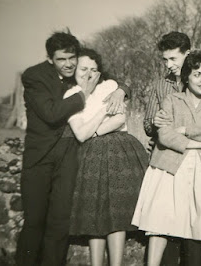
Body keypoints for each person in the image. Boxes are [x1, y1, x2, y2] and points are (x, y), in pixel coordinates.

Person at [16, 31, 128, 266]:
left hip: (69, 155)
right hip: (41, 157)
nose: (68, 64)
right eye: (61, 59)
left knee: (60, 222)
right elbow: (51, 113)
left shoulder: (79, 71)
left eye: (71, 58)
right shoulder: (34, 76)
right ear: (50, 59)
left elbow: (107, 79)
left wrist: (122, 89)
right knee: (35, 221)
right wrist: (83, 94)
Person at [133, 50, 201, 266]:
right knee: (160, 223)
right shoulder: (171, 100)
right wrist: (198, 139)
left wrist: (185, 129)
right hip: (170, 167)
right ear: (187, 76)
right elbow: (165, 135)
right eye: (198, 74)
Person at [63, 48, 148, 266]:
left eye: (94, 69)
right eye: (83, 69)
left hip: (119, 151)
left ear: (100, 73)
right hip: (89, 157)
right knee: (94, 211)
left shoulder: (111, 87)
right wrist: (102, 113)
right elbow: (80, 134)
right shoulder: (70, 96)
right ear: (74, 70)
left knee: (117, 210)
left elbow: (119, 119)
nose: (89, 74)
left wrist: (95, 130)